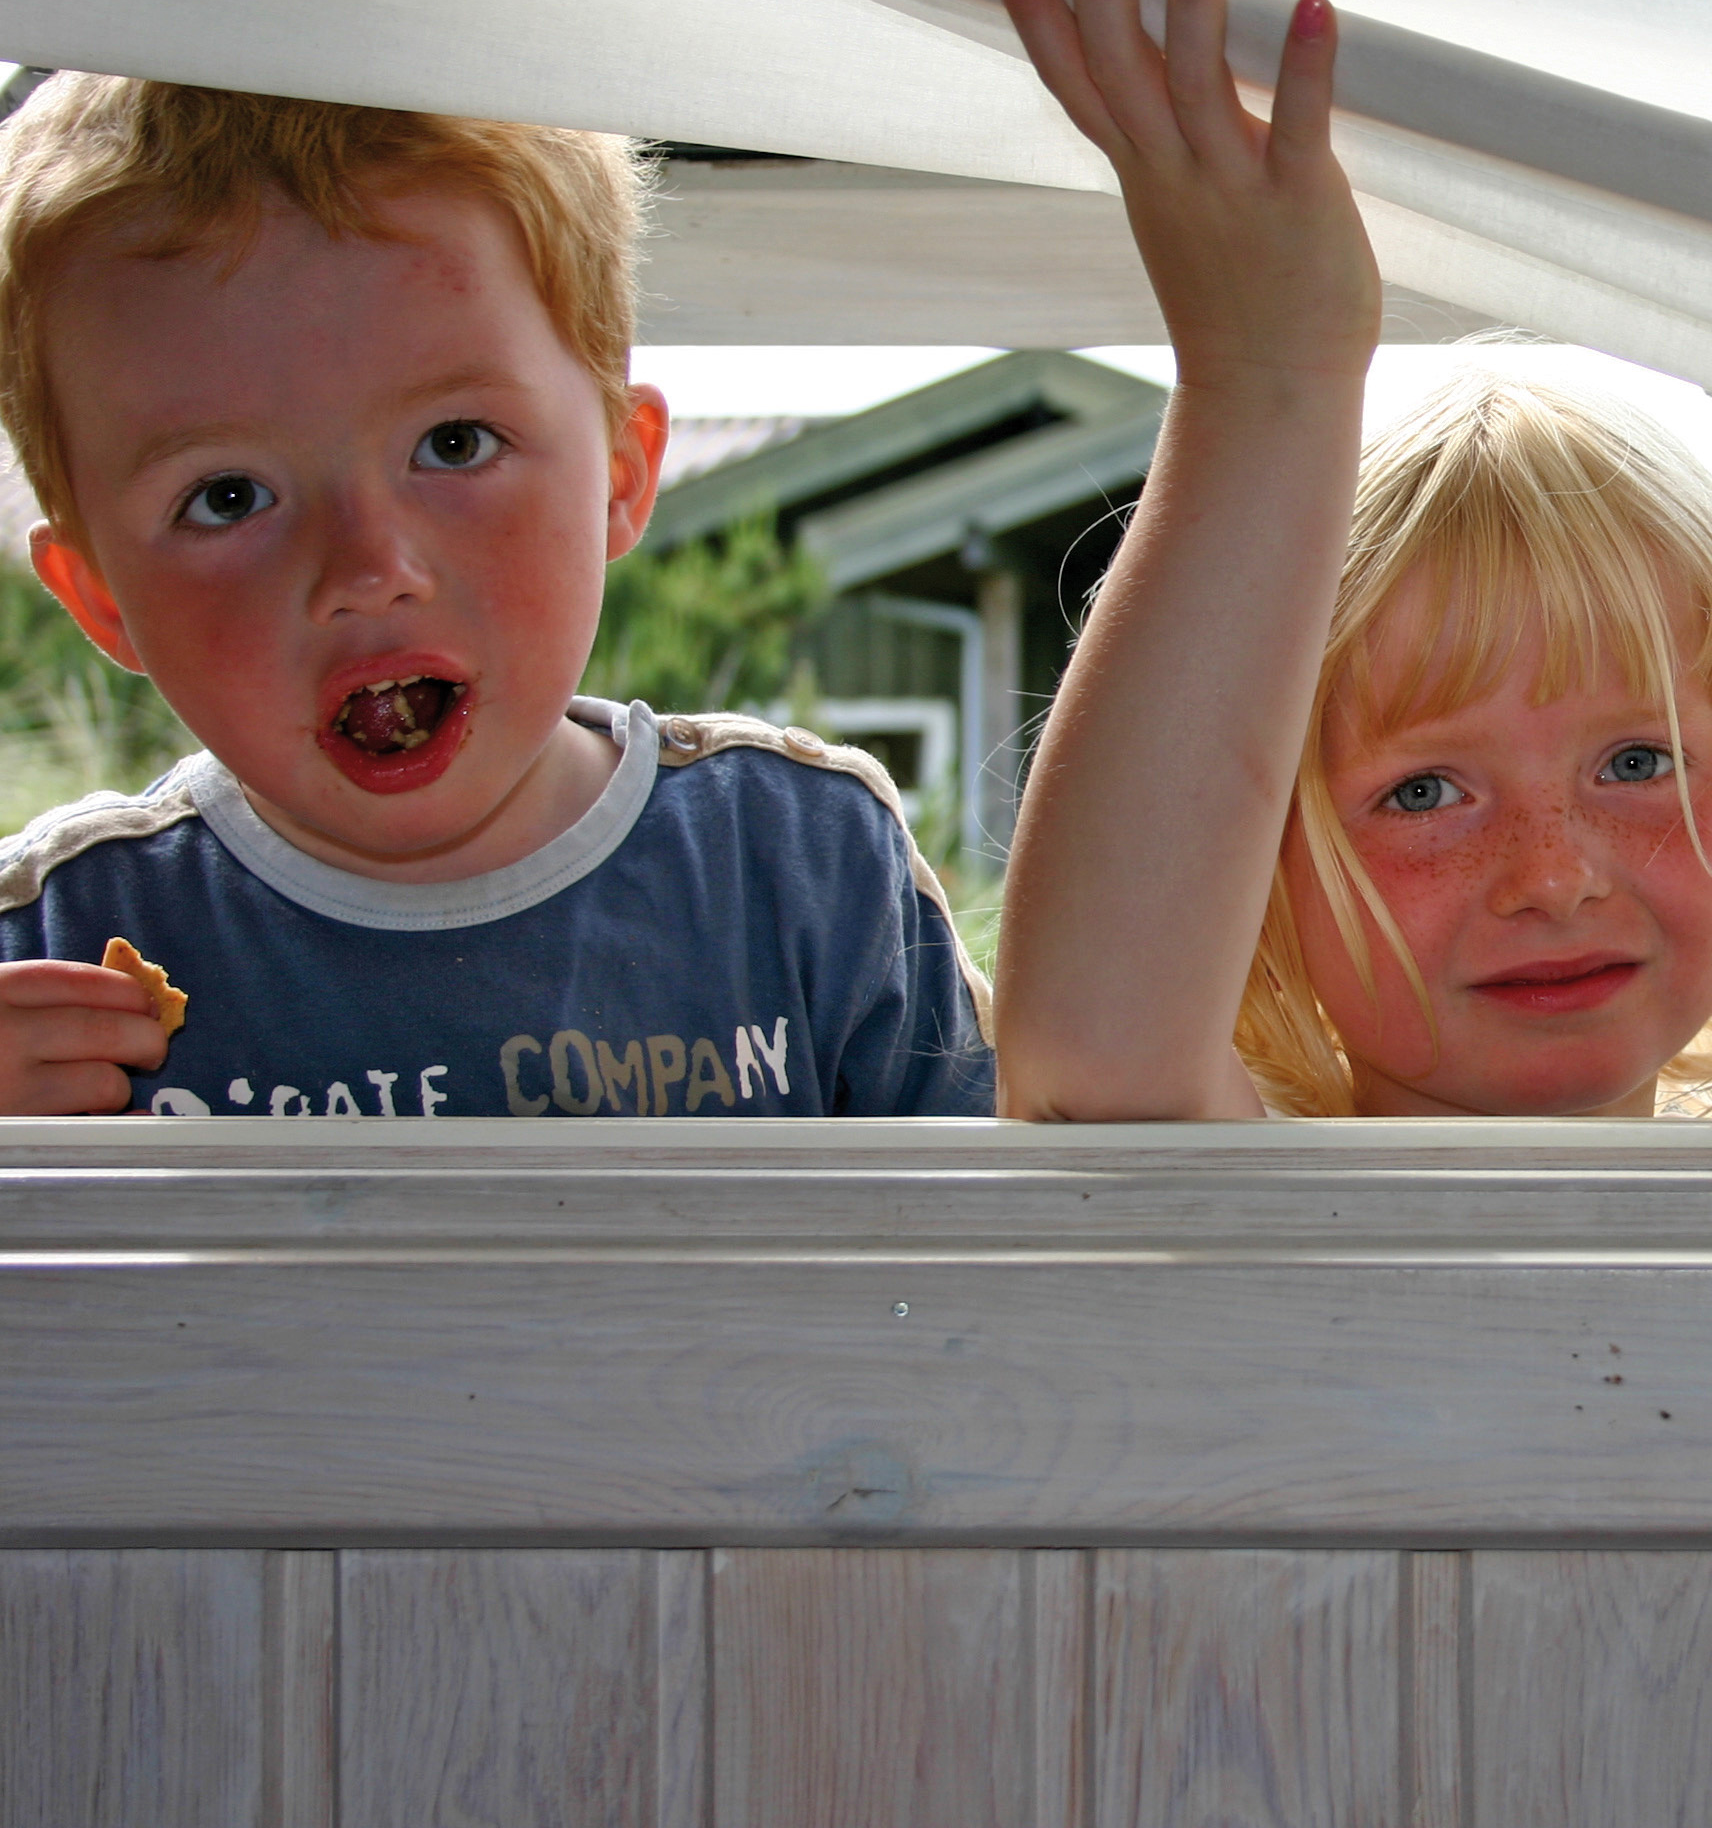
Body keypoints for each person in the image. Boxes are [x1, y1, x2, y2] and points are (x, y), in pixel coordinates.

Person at [990, 0, 1712, 1119]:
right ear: (1259, 890)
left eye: (1638, 760)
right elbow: (1095, 1063)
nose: (1554, 875)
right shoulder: (1244, 1208)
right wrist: (1263, 382)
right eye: (1422, 792)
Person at [0, 77, 990, 1117]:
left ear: (618, 472)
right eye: (229, 496)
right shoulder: (50, 947)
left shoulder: (801, 870)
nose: (369, 567)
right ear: (101, 597)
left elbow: (1019, 1247)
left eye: (454, 444)